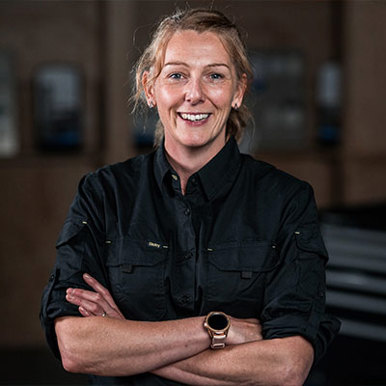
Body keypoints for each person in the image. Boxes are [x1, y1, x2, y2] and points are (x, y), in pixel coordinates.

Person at [40, 8, 340, 386]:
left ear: (238, 91)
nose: (194, 94)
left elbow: (286, 367)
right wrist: (216, 328)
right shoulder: (103, 195)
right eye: (177, 75)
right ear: (150, 88)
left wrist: (127, 339)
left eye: (214, 76)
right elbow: (77, 348)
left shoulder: (287, 201)